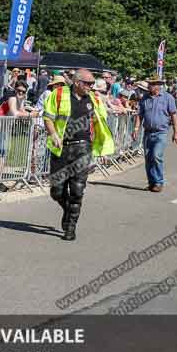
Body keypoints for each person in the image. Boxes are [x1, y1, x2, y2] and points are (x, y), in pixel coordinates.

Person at [42, 68, 114, 241]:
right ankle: (68, 211)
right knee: (57, 191)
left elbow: (101, 124)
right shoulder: (58, 94)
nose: (91, 86)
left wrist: (102, 147)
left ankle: (71, 227)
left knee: (77, 190)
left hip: (83, 148)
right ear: (76, 82)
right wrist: (53, 134)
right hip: (61, 148)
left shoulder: (94, 99)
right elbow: (48, 117)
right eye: (88, 83)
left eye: (92, 83)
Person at [132, 75, 177, 193]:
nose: (149, 86)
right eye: (149, 84)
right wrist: (136, 128)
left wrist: (176, 133)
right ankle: (151, 182)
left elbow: (174, 115)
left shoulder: (168, 98)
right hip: (148, 132)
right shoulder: (145, 98)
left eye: (152, 84)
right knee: (148, 158)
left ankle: (159, 182)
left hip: (161, 132)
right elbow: (140, 114)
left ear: (158, 85)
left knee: (156, 156)